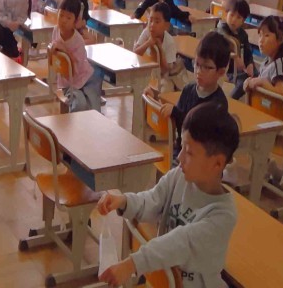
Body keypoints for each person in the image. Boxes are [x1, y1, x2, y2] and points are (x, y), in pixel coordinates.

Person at [97, 102, 239, 288]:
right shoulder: (178, 177)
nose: (179, 157)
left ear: (217, 164)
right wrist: (124, 201)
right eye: (182, 146)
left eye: (189, 152)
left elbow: (181, 242)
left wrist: (133, 263)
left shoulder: (223, 216)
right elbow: (152, 200)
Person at [150, 31, 231, 158]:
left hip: (201, 159)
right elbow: (179, 126)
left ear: (220, 72)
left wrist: (175, 112)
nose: (199, 71)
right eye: (197, 64)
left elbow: (199, 134)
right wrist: (154, 96)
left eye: (207, 67)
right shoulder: (188, 90)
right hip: (181, 152)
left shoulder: (218, 103)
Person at [51, 0, 102, 113]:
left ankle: (94, 119)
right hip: (67, 83)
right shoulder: (56, 30)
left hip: (84, 77)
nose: (63, 20)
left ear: (76, 21)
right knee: (80, 104)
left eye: (68, 18)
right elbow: (56, 62)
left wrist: (65, 50)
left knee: (93, 102)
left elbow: (76, 70)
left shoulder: (78, 41)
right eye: (61, 15)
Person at [133, 3, 186, 92]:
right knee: (138, 86)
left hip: (164, 77)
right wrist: (148, 43)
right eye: (150, 20)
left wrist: (160, 49)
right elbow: (135, 53)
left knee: (165, 90)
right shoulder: (147, 32)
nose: (152, 24)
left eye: (157, 22)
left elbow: (165, 70)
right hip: (146, 73)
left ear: (166, 26)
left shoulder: (169, 42)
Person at [215, 0, 255, 99]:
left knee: (256, 76)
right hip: (226, 69)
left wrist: (250, 64)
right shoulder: (221, 29)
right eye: (231, 15)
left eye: (238, 17)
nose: (233, 20)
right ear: (226, 13)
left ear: (243, 20)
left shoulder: (243, 34)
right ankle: (230, 100)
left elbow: (248, 52)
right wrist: (235, 57)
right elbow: (224, 45)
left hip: (239, 70)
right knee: (243, 81)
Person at [243, 15, 283, 95]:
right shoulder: (267, 61)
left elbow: (282, 94)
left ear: (280, 39)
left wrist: (262, 82)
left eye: (266, 35)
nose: (261, 40)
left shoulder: (278, 65)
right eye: (260, 35)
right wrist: (251, 81)